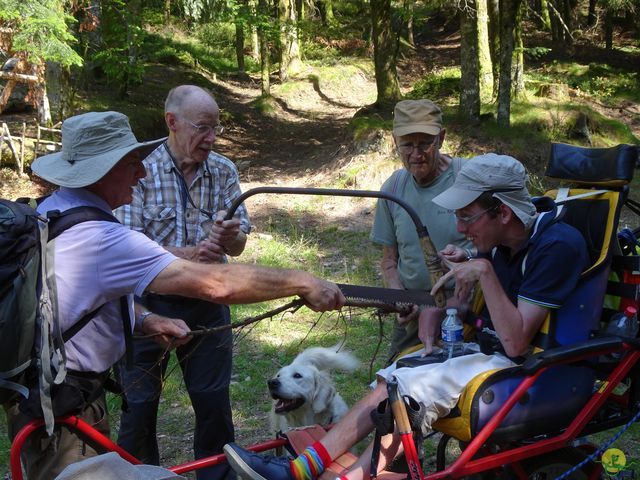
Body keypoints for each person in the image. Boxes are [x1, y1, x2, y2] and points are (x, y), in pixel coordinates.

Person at [4, 110, 345, 480]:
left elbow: (69, 296)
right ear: (103, 170)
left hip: (50, 398)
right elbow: (216, 284)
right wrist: (302, 281)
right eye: (133, 163)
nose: (143, 172)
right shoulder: (102, 238)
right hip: (63, 411)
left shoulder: (54, 210)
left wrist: (145, 319)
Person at [223, 153, 590, 480]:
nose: (461, 229)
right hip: (490, 352)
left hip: (529, 368)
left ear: (504, 213)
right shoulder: (502, 243)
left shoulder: (557, 245)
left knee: (409, 398)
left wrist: (484, 272)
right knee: (392, 379)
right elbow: (487, 313)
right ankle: (300, 471)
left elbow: (515, 341)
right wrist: (447, 306)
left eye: (466, 217)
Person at [113, 85, 249, 480]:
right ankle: (140, 477)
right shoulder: (138, 170)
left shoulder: (223, 170)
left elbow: (239, 245)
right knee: (138, 408)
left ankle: (217, 476)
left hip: (207, 300)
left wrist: (229, 238)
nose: (212, 138)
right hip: (146, 306)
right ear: (172, 123)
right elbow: (128, 248)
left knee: (213, 405)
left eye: (216, 129)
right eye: (203, 128)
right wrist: (192, 254)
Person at [370, 99, 473, 362]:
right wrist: (399, 297)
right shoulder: (393, 189)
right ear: (395, 143)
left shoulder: (469, 179)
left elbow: (497, 247)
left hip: (464, 310)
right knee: (393, 387)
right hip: (414, 312)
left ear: (441, 138)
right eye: (407, 144)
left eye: (425, 143)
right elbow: (389, 261)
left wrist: (468, 255)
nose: (416, 154)